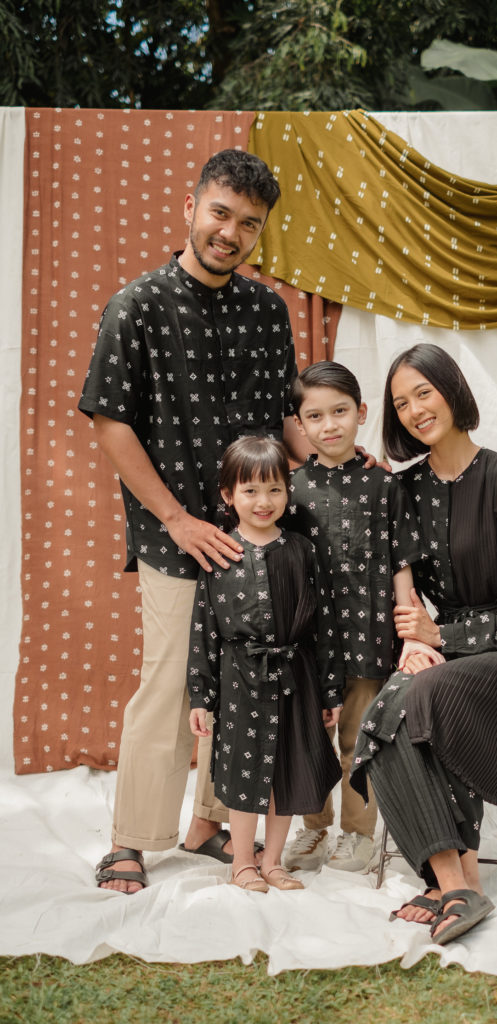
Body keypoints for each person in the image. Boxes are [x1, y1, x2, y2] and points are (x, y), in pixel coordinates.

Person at [79, 148, 310, 893]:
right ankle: (130, 840)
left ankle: (211, 825)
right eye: (220, 213)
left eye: (249, 224)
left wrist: (333, 463)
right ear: (191, 207)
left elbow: (285, 416)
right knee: (171, 684)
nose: (231, 233)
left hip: (256, 536)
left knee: (245, 684)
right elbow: (111, 422)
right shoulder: (137, 305)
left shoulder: (268, 311)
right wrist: (176, 519)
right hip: (174, 534)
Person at [350, 343, 497, 944]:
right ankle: (457, 881)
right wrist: (417, 642)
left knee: (416, 701)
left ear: (451, 390)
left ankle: (453, 882)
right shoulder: (404, 489)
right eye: (401, 403)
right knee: (387, 716)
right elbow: (394, 574)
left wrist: (443, 635)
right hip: (447, 656)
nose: (414, 410)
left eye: (423, 393)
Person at [282, 362, 434, 874]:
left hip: (368, 634)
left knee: (359, 739)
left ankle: (358, 834)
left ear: (361, 413)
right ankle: (313, 827)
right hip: (307, 641)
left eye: (340, 411)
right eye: (315, 416)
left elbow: (401, 561)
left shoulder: (384, 486)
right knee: (309, 740)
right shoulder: (290, 491)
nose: (330, 425)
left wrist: (409, 629)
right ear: (299, 425)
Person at [187, 436, 344, 892]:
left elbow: (324, 624)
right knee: (244, 773)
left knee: (286, 772)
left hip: (296, 677)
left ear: (287, 492)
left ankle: (272, 862)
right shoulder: (220, 553)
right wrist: (201, 696)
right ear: (228, 494)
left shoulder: (302, 550)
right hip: (240, 679)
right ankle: (242, 863)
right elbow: (204, 629)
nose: (263, 501)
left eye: (274, 489)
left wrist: (330, 690)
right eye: (250, 490)